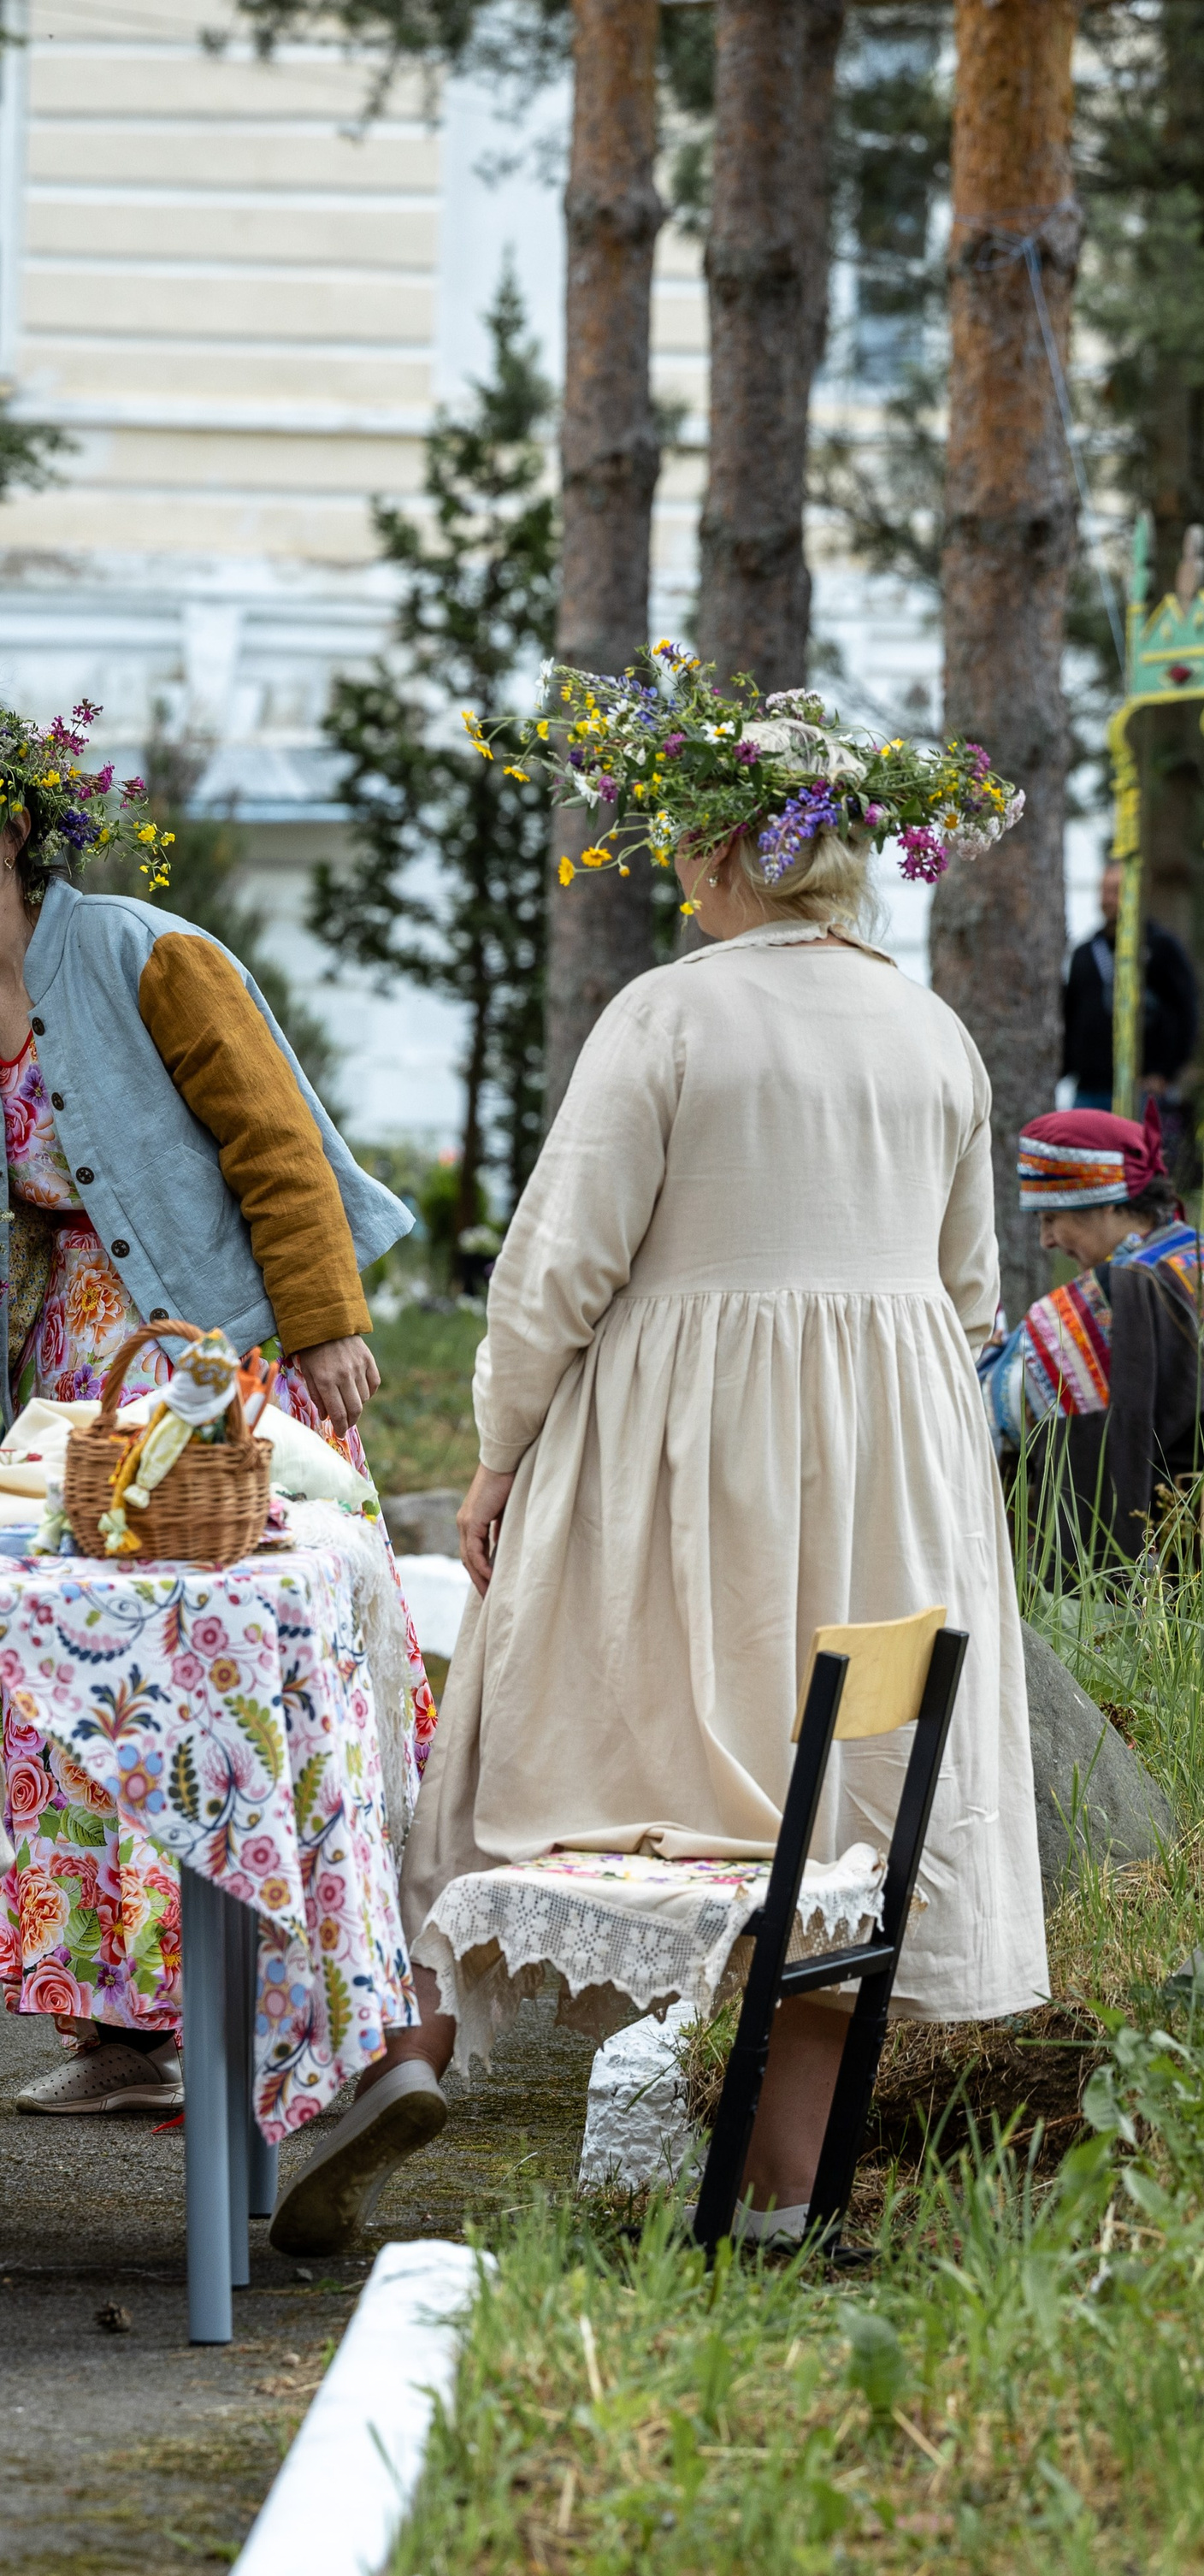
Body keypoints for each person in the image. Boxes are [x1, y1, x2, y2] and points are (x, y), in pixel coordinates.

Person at [273, 663, 1048, 2254]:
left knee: (527, 1738)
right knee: (838, 1809)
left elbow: (559, 1265)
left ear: (720, 853)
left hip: (689, 1456)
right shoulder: (935, 1033)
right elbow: (971, 1290)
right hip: (897, 1466)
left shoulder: (672, 1014)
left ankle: (410, 2045)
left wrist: (501, 1448)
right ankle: (781, 2195)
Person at [0, 641, 419, 2116]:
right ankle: (124, 2032)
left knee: (251, 1681)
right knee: (82, 1686)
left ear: (12, 826)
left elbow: (274, 1138)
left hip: (218, 1359)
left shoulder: (144, 952)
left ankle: (331, 2018)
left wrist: (322, 1321)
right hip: (67, 1386)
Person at [978, 1105, 1200, 1567]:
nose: (1046, 1240)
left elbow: (991, 1411)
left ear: (1103, 1201)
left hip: (1136, 1583)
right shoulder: (1189, 1253)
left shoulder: (1114, 1297)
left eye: (1050, 1218)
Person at [1064, 861, 1197, 1114]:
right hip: (1090, 1091)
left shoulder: (1161, 949)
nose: (1108, 899)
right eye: (1103, 890)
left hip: (1144, 1091)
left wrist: (1165, 1073)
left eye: (1116, 891)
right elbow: (1070, 1016)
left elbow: (1186, 1013)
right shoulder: (1085, 953)